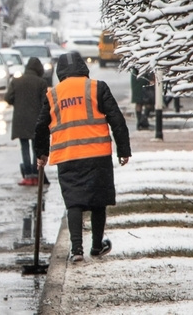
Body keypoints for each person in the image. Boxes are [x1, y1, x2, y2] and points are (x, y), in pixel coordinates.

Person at [34, 51, 131, 263]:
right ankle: (96, 246)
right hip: (97, 155)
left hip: (68, 156)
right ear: (82, 68)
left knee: (74, 202)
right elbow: (117, 119)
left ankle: (76, 249)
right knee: (99, 201)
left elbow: (41, 126)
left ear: (60, 72)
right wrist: (124, 150)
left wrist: (41, 153)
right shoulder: (97, 87)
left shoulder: (54, 95)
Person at [5, 57, 49, 186]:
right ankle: (36, 175)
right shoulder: (41, 83)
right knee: (36, 148)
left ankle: (28, 176)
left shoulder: (16, 81)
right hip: (36, 120)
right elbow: (44, 103)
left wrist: (18, 103)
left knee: (24, 147)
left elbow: (8, 98)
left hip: (21, 120)